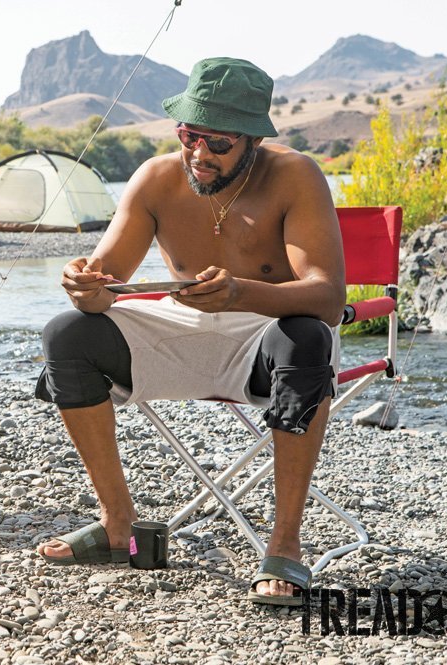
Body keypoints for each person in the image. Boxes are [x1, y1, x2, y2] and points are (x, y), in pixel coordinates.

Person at [33, 57, 346, 606]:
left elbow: (327, 297)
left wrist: (241, 293)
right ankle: (117, 526)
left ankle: (284, 543)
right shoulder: (156, 178)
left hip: (265, 334)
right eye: (188, 135)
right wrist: (84, 286)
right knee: (67, 333)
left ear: (252, 139)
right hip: (179, 328)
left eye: (217, 142)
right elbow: (107, 284)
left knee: (309, 338)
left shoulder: (295, 175)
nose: (198, 153)